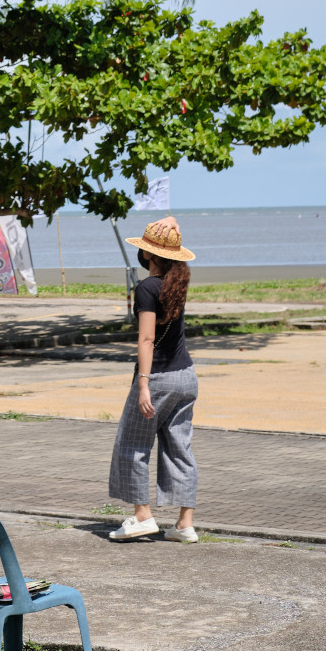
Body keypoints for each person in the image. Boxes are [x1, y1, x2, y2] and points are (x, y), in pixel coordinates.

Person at [107, 216, 199, 543]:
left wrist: (143, 383)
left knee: (132, 445)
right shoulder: (178, 283)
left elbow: (146, 339)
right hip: (186, 376)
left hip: (157, 378)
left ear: (148, 254)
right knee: (179, 448)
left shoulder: (147, 287)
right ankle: (185, 525)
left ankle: (143, 516)